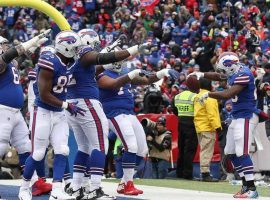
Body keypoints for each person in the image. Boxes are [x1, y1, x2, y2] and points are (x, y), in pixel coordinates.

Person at [97, 48, 179, 195]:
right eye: (117, 60)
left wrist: (162, 73)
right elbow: (113, 84)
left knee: (142, 149)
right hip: (114, 113)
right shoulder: (100, 74)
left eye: (121, 60)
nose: (120, 63)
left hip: (129, 113)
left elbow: (147, 79)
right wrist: (131, 74)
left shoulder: (123, 74)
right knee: (131, 146)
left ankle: (125, 180)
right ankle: (127, 183)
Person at [189, 52, 259, 198]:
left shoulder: (244, 74)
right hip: (237, 116)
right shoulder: (234, 70)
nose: (222, 73)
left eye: (223, 69)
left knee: (242, 152)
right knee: (230, 152)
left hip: (246, 116)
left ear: (231, 66)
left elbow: (228, 94)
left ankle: (252, 189)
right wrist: (201, 74)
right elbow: (219, 76)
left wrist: (209, 94)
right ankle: (246, 185)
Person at [0, 31, 52, 199]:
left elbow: (16, 60)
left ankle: (35, 182)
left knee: (26, 147)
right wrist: (31, 41)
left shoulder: (8, 64)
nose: (5, 47)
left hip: (15, 112)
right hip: (2, 110)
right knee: (0, 146)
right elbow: (10, 56)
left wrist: (34, 46)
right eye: (3, 45)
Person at [194, 78, 221, 182]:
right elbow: (212, 114)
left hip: (199, 127)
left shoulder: (197, 96)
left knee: (203, 150)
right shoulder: (210, 97)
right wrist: (218, 127)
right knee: (207, 151)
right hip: (208, 127)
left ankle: (204, 173)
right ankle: (205, 174)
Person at [172, 77, 198, 180]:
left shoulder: (177, 96)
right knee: (190, 150)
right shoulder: (194, 96)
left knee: (181, 149)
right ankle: (187, 174)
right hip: (192, 124)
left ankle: (179, 172)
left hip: (181, 123)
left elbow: (174, 110)